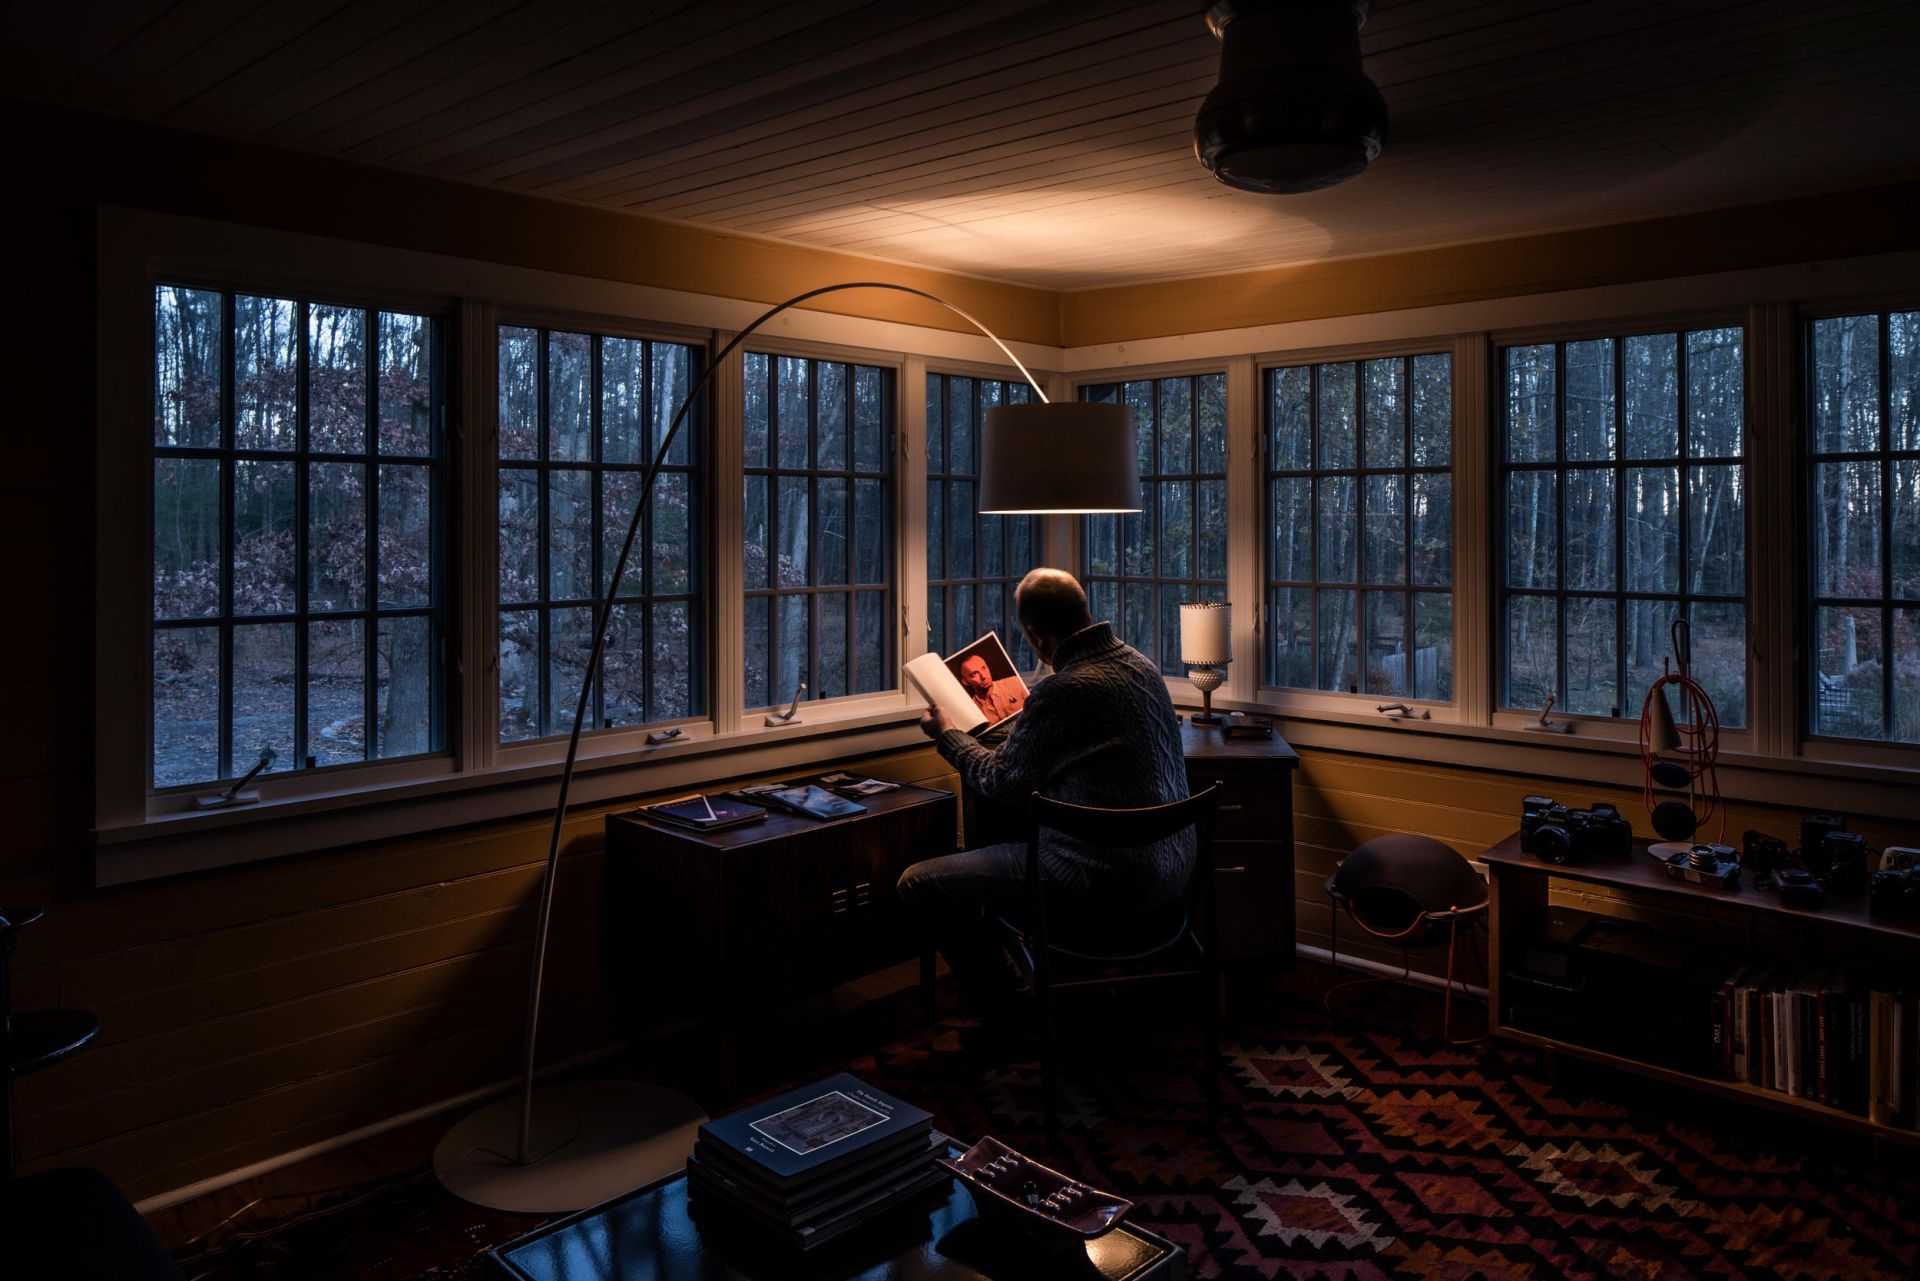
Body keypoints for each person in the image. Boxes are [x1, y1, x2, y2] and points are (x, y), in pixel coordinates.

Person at [897, 568, 1191, 1036]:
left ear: (1035, 635)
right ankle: (1085, 994)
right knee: (1020, 846)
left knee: (919, 883)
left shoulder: (1062, 690)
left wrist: (948, 734)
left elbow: (1001, 782)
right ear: (1084, 611)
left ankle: (1012, 1016)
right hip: (1170, 874)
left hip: (1099, 882)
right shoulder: (1141, 665)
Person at [957, 652, 1020, 723]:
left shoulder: (1016, 683)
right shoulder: (972, 710)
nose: (983, 676)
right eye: (974, 674)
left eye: (983, 668)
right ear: (965, 682)